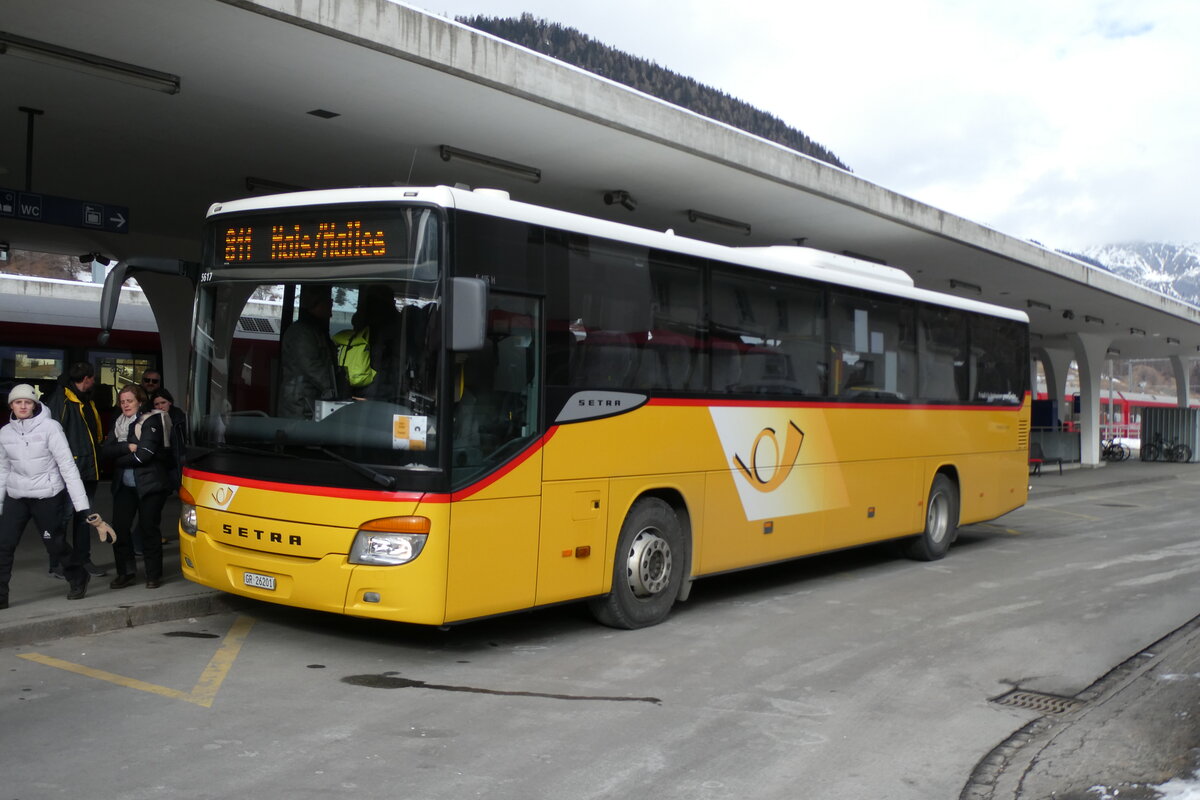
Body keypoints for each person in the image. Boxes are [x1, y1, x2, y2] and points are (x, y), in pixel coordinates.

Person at [0, 384, 115, 608]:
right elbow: (3, 469)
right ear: (11, 405)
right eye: (18, 402)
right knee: (3, 545)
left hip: (47, 494)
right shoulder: (5, 433)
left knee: (55, 543)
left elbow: (67, 468)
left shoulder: (51, 428)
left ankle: (78, 576)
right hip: (17, 495)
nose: (23, 406)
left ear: (34, 404)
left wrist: (83, 508)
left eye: (27, 402)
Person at [102, 385, 171, 589]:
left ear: (139, 401)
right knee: (119, 529)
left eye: (129, 401)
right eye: (122, 401)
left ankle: (153, 575)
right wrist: (126, 447)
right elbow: (106, 451)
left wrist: (120, 459)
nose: (125, 405)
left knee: (149, 529)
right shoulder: (118, 422)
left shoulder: (151, 420)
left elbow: (144, 455)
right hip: (124, 485)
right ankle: (126, 573)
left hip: (150, 484)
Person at [45, 361, 106, 579]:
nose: (94, 381)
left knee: (85, 516)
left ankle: (82, 559)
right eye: (93, 378)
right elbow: (52, 438)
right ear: (87, 378)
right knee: (63, 517)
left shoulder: (85, 400)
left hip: (88, 468)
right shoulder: (62, 400)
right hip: (71, 470)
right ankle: (58, 563)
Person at [279, 284, 339, 418]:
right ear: (317, 305)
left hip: (308, 400)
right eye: (329, 303)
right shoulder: (302, 333)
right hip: (301, 403)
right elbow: (311, 366)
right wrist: (335, 388)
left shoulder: (315, 330)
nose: (331, 309)